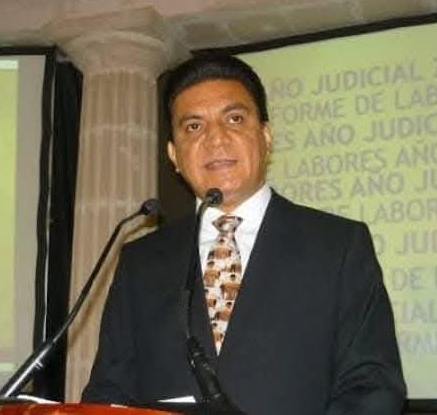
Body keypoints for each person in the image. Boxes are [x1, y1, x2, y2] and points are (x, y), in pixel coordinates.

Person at [82, 54, 407, 414]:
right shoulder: (140, 261)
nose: (215, 138)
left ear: (266, 136)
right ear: (173, 154)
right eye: (194, 126)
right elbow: (109, 390)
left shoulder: (338, 246)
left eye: (234, 119)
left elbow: (372, 387)